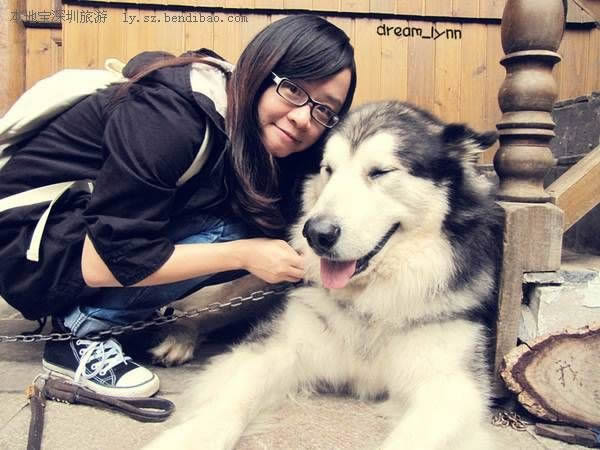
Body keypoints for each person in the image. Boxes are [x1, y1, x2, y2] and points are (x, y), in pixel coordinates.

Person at [0, 15, 356, 398]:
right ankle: (83, 334)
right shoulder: (172, 118)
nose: (303, 118)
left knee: (259, 217)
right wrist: (244, 254)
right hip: (25, 248)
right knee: (234, 231)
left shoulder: (248, 129)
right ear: (260, 70)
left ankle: (109, 311)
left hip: (72, 232)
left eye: (324, 110)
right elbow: (104, 260)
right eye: (292, 89)